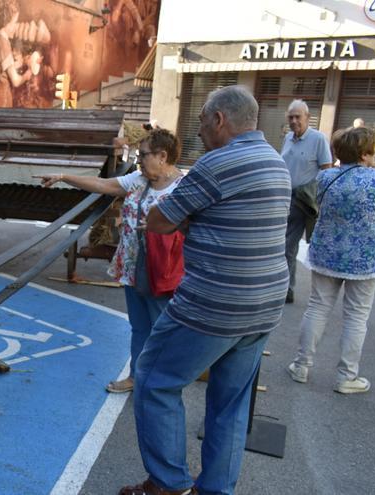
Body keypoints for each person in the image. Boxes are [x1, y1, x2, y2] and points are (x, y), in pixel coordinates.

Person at [120, 85, 291, 495]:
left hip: (214, 304)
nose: (197, 132)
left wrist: (188, 221)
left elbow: (160, 220)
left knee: (154, 378)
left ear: (219, 120)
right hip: (264, 305)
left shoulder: (216, 164)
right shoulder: (275, 161)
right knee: (231, 403)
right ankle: (214, 489)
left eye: (200, 122)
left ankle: (168, 483)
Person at [36, 128, 183, 394]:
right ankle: (136, 377)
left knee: (162, 329)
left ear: (162, 156)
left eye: (143, 155)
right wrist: (63, 176)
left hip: (162, 271)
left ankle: (162, 383)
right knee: (139, 327)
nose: (139, 161)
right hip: (133, 267)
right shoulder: (139, 180)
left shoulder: (184, 187)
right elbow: (104, 185)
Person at [287, 126, 375, 394]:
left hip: (327, 253)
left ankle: (301, 365)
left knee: (317, 307)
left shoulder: (326, 177)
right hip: (365, 259)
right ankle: (347, 377)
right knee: (356, 317)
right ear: (365, 153)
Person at [281, 99, 333, 303]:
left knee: (297, 246)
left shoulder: (318, 139)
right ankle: (285, 288)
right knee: (285, 246)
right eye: (291, 117)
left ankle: (294, 291)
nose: (294, 121)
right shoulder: (288, 138)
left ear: (308, 117)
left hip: (305, 201)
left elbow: (326, 170)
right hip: (286, 199)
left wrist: (314, 193)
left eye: (298, 117)